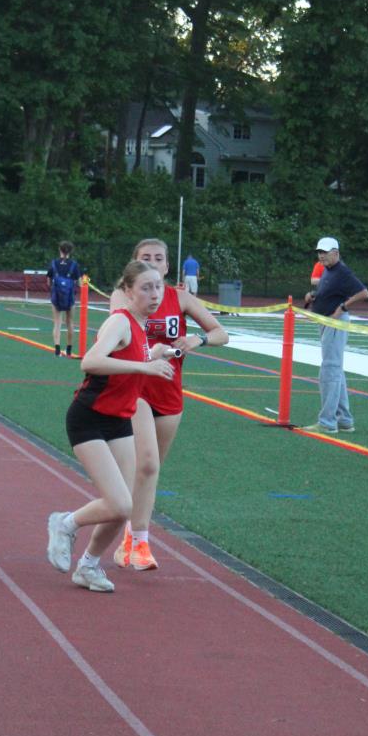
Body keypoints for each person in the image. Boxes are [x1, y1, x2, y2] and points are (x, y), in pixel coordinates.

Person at [46, 260, 176, 592]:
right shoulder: (120, 321)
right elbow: (90, 362)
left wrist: (153, 355)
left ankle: (88, 566)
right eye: (146, 288)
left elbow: (129, 359)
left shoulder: (142, 327)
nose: (155, 294)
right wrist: (145, 368)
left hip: (119, 420)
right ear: (128, 291)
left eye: (158, 286)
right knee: (119, 504)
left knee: (123, 507)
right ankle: (65, 523)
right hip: (89, 417)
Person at [109, 238, 228, 570]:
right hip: (135, 387)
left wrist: (198, 338)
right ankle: (141, 542)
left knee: (150, 471)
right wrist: (151, 351)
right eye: (145, 257)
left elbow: (221, 332)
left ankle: (128, 538)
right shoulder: (123, 296)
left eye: (159, 258)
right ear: (135, 264)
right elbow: (117, 336)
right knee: (146, 464)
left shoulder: (181, 298)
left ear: (167, 265)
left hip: (169, 390)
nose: (153, 262)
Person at [300, 237, 368, 433]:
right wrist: (313, 297)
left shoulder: (342, 271)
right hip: (326, 323)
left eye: (325, 252)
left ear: (336, 253)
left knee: (329, 370)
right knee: (335, 370)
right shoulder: (329, 271)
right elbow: (330, 292)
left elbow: (364, 293)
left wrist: (342, 307)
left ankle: (327, 422)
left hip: (335, 324)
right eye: (319, 252)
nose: (321, 255)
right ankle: (344, 419)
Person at [47, 241, 82, 357]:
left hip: (56, 296)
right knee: (70, 322)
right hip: (70, 297)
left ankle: (57, 350)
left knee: (57, 322)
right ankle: (69, 349)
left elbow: (48, 282)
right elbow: (81, 283)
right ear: (71, 251)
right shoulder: (74, 265)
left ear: (59, 249)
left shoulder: (54, 263)